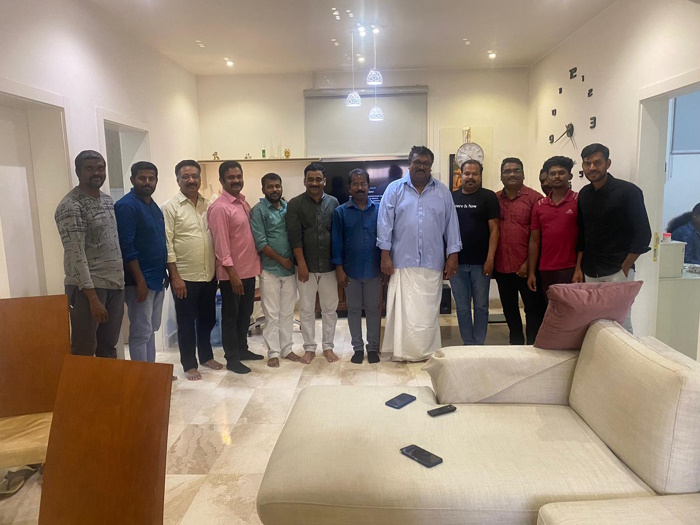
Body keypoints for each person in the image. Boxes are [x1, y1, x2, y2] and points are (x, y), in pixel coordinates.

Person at [377, 146, 462, 362]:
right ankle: (402, 351)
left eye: (426, 163)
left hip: (433, 261)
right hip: (402, 261)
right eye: (417, 162)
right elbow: (384, 224)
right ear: (409, 164)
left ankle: (426, 351)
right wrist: (385, 255)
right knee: (404, 312)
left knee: (427, 312)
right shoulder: (394, 189)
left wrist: (453, 255)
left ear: (431, 166)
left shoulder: (442, 192)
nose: (421, 167)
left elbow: (451, 225)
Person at [574, 143, 652, 333]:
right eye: (587, 163)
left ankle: (628, 353)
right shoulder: (584, 194)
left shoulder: (628, 192)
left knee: (621, 320)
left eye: (597, 162)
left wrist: (625, 266)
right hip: (590, 270)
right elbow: (582, 233)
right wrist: (579, 267)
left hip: (617, 270)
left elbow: (643, 233)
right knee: (594, 318)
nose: (592, 168)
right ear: (583, 166)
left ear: (608, 163)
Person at [55, 150, 124, 358]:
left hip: (114, 285)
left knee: (108, 347)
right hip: (87, 289)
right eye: (90, 168)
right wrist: (93, 299)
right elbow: (75, 254)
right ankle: (81, 383)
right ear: (78, 172)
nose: (97, 173)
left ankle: (107, 382)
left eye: (100, 168)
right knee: (84, 349)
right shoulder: (71, 205)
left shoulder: (107, 200)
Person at [162, 160, 223, 381]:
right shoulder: (170, 208)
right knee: (186, 323)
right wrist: (175, 277)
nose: (191, 180)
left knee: (207, 319)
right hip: (184, 277)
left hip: (208, 274)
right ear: (178, 180)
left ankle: (206, 356)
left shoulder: (209, 205)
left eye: (194, 176)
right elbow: (167, 244)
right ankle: (189, 364)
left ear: (200, 179)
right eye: (185, 176)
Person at [207, 160, 263, 374]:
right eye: (231, 177)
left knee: (245, 314)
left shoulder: (242, 203)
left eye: (239, 176)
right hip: (232, 275)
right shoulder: (219, 208)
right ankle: (232, 359)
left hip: (249, 271)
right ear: (221, 180)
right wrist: (232, 273)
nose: (236, 180)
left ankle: (242, 349)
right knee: (231, 317)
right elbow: (221, 245)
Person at [286, 163, 340, 364]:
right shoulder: (295, 204)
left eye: (318, 179)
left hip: (329, 267)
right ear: (304, 181)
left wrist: (339, 265)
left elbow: (337, 234)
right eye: (311, 179)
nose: (314, 183)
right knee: (307, 309)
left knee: (330, 309)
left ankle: (328, 347)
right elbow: (295, 237)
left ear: (324, 181)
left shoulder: (334, 202)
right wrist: (301, 264)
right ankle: (309, 348)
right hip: (305, 267)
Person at [115, 161, 168, 363]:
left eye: (151, 178)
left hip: (156, 278)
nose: (147, 182)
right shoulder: (126, 206)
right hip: (139, 281)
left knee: (150, 329)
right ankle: (140, 376)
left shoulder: (153, 206)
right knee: (140, 332)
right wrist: (140, 281)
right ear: (132, 179)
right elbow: (127, 247)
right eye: (142, 178)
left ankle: (150, 373)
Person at [250, 173, 300, 368]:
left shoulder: (288, 207)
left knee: (287, 313)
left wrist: (292, 262)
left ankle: (287, 349)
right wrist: (282, 260)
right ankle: (273, 352)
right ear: (263, 189)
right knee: (272, 314)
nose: (274, 190)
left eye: (277, 186)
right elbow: (261, 242)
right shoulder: (258, 211)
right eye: (270, 187)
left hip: (289, 271)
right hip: (270, 270)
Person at [494, 157, 546, 345]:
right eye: (507, 171)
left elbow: (540, 236)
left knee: (533, 309)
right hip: (502, 266)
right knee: (509, 308)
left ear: (523, 175)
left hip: (527, 268)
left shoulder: (535, 199)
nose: (512, 174)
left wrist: (528, 264)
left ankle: (533, 346)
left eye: (516, 170)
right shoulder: (494, 199)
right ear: (501, 176)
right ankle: (515, 344)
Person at [332, 169, 382, 364]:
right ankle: (358, 349)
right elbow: (337, 241)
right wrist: (339, 268)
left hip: (374, 270)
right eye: (356, 184)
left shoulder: (379, 210)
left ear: (369, 187)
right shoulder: (340, 212)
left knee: (373, 310)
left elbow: (386, 239)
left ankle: (373, 348)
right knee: (353, 310)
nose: (360, 187)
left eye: (363, 184)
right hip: (350, 271)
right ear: (349, 188)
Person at [450, 159, 499, 345]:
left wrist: (490, 258)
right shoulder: (451, 198)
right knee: (462, 307)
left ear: (480, 176)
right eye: (467, 173)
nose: (470, 177)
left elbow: (495, 229)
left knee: (481, 306)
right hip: (457, 263)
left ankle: (479, 344)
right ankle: (468, 343)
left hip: (481, 263)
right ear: (460, 175)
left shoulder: (488, 197)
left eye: (475, 174)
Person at [528, 156, 578, 298]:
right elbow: (534, 241)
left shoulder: (578, 200)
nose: (557, 176)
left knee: (572, 308)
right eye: (552, 174)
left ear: (570, 176)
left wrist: (579, 268)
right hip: (546, 268)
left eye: (561, 173)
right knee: (551, 308)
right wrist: (531, 272)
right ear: (548, 178)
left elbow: (584, 237)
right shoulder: (539, 205)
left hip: (571, 268)